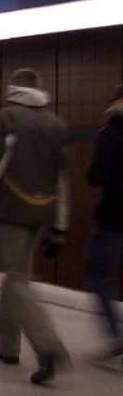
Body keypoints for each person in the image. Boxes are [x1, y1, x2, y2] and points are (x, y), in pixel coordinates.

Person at [0, 68, 70, 385]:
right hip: (41, 215)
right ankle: (8, 347)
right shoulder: (55, 125)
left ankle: (47, 345)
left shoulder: (6, 120)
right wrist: (60, 228)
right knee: (15, 276)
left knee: (17, 280)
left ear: (12, 90)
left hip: (11, 213)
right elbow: (62, 181)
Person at [84, 84, 123, 361]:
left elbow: (95, 176)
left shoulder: (109, 134)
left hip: (114, 218)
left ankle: (115, 334)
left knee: (97, 273)